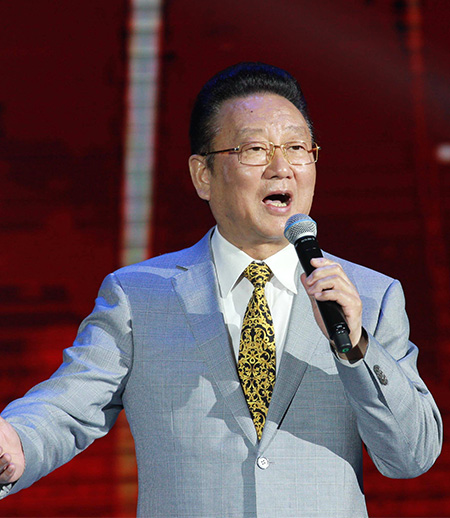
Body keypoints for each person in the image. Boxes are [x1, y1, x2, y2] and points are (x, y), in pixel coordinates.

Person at [0, 62, 442, 517]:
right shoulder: (137, 297)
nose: (282, 169)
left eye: (296, 148)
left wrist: (357, 347)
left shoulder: (371, 296)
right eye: (255, 149)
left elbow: (412, 455)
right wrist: (15, 440)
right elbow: (69, 404)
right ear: (203, 175)